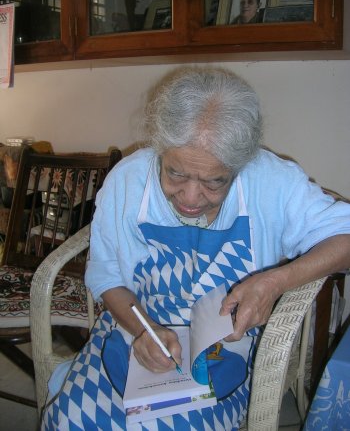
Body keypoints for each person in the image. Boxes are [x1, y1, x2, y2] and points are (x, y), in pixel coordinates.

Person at [42, 67, 350, 430]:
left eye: (213, 182)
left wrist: (275, 282)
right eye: (175, 174)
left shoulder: (271, 182)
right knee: (71, 419)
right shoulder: (127, 180)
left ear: (240, 167)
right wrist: (144, 330)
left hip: (223, 347)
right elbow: (107, 274)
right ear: (160, 147)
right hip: (134, 326)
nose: (190, 198)